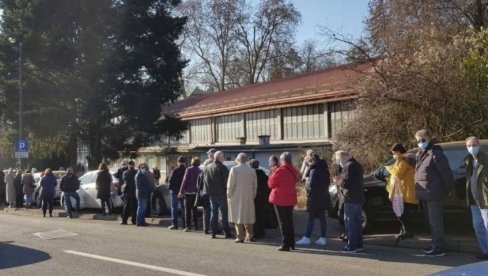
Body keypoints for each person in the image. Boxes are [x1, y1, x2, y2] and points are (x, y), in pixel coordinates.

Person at [414, 129, 453, 257]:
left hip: (433, 194)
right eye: (418, 140)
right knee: (431, 221)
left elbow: (446, 175)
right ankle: (435, 244)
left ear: (430, 139)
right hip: (425, 194)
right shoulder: (421, 154)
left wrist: (444, 191)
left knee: (436, 222)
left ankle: (439, 248)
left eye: (423, 139)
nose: (421, 142)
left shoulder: (436, 154)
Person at [385, 143, 418, 245]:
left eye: (394, 153)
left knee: (402, 213)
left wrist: (388, 168)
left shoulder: (403, 161)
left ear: (399, 152)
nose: (394, 155)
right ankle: (405, 231)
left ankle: (408, 232)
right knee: (402, 213)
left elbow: (397, 173)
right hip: (404, 190)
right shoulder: (404, 160)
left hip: (407, 191)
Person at [296, 154, 330, 246]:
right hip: (323, 196)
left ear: (311, 161)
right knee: (322, 218)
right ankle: (323, 238)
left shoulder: (314, 170)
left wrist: (306, 187)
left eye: (307, 162)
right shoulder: (325, 170)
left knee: (310, 218)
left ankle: (307, 237)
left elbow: (311, 184)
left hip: (314, 197)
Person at [335, 150, 365, 254]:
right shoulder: (357, 164)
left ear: (342, 158)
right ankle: (359, 245)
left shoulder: (348, 166)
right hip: (358, 197)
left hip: (350, 198)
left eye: (338, 160)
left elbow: (345, 183)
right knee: (357, 223)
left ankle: (351, 246)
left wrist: (337, 181)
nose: (338, 162)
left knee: (350, 222)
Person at [268, 152, 298, 251]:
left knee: (282, 222)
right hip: (290, 198)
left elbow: (271, 184)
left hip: (280, 198)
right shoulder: (293, 170)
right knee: (289, 221)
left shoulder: (280, 171)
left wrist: (272, 173)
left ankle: (285, 244)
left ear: (283, 160)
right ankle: (292, 243)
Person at [464, 136, 488, 260]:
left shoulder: (486, 159)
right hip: (473, 200)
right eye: (469, 145)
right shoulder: (468, 160)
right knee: (478, 227)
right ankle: (485, 251)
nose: (471, 147)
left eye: (474, 145)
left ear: (479, 145)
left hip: (485, 199)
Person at [227, 153, 257, 243]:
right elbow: (255, 185)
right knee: (248, 216)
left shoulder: (234, 169)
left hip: (237, 195)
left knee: (238, 216)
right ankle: (250, 235)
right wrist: (253, 195)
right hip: (249, 196)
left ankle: (240, 237)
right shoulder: (252, 170)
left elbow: (230, 185)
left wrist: (229, 195)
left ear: (238, 160)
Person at [204, 151, 232, 239]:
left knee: (214, 213)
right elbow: (226, 182)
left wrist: (208, 191)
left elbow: (205, 181)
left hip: (212, 194)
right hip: (221, 193)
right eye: (223, 157)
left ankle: (213, 232)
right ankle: (226, 232)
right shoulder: (223, 168)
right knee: (224, 213)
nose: (224, 158)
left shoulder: (207, 167)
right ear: (219, 158)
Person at [178, 157, 202, 232]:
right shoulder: (200, 170)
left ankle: (188, 226)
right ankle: (196, 226)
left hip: (188, 192)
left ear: (192, 162)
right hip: (196, 192)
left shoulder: (188, 170)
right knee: (195, 209)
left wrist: (181, 191)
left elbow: (184, 181)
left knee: (187, 210)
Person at [197, 148, 217, 234]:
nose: (209, 155)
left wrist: (201, 190)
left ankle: (208, 228)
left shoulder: (206, 169)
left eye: (210, 154)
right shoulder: (205, 169)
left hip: (207, 192)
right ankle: (211, 228)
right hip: (209, 192)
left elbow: (199, 183)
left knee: (208, 211)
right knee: (211, 210)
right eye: (208, 154)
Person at [250, 159, 270, 238]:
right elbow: (267, 183)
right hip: (262, 197)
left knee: (253, 214)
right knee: (260, 214)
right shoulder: (262, 173)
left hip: (254, 196)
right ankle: (261, 231)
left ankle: (255, 231)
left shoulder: (251, 173)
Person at [168, 156, 187, 230]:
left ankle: (174, 224)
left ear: (178, 162)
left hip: (175, 191)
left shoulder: (175, 170)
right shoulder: (186, 170)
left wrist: (170, 188)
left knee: (174, 208)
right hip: (183, 192)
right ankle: (184, 225)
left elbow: (170, 180)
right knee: (183, 208)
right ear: (184, 162)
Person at [121, 161, 138, 225]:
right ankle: (134, 220)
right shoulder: (137, 172)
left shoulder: (125, 173)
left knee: (126, 207)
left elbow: (124, 181)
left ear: (128, 165)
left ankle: (124, 220)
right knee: (135, 207)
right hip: (135, 191)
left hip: (127, 191)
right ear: (134, 165)